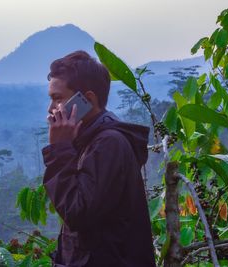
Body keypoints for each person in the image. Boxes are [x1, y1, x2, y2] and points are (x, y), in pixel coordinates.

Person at [42, 50, 157, 266]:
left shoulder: (109, 144)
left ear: (87, 99)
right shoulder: (89, 139)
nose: (50, 109)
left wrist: (59, 149)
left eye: (57, 99)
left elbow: (76, 212)